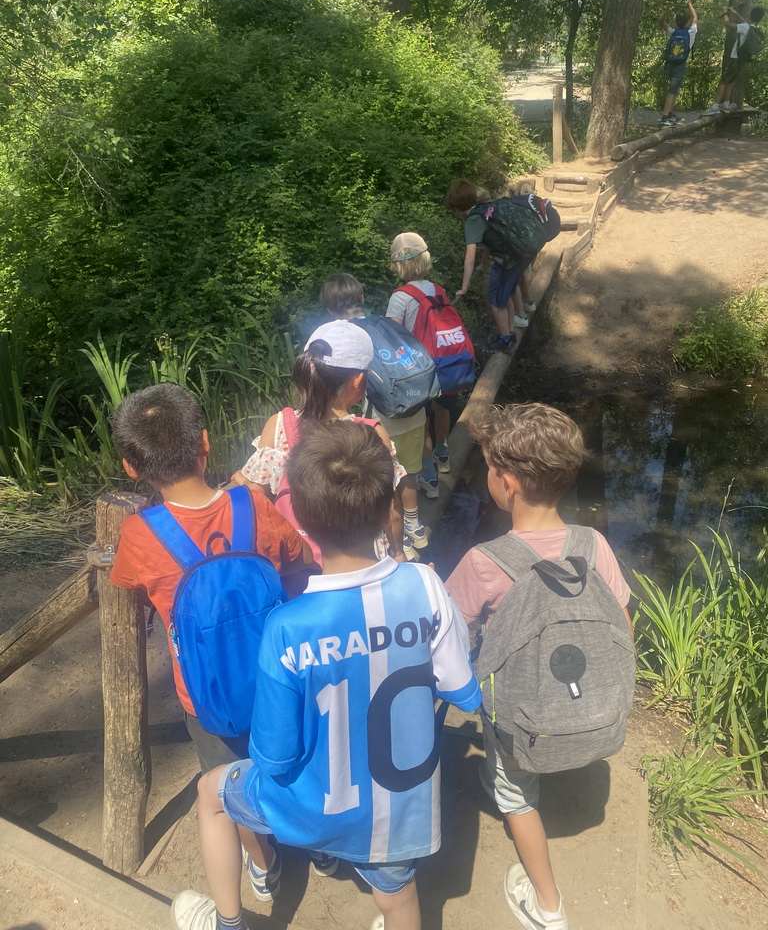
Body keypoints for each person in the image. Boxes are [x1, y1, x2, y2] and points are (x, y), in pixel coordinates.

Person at [170, 420, 482, 930]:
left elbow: (274, 754)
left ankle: (228, 923)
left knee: (211, 795)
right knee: (399, 898)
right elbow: (460, 691)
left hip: (313, 808)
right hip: (399, 812)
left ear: (304, 528)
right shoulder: (425, 585)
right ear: (388, 513)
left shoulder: (287, 627)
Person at [446, 403, 632, 930]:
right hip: (592, 707)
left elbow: (450, 640)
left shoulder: (485, 561)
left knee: (514, 795)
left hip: (522, 722)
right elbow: (622, 624)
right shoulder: (593, 545)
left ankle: (547, 905)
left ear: (506, 483)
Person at [110, 383, 313, 772]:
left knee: (229, 784)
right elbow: (299, 557)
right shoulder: (251, 504)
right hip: (279, 675)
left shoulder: (138, 533)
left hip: (205, 694)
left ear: (131, 468)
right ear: (205, 443)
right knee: (291, 768)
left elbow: (126, 582)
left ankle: (242, 832)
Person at [233, 319, 407, 564]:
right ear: (358, 381)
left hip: (297, 563)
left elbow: (255, 497)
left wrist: (241, 478)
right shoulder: (371, 434)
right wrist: (398, 551)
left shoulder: (279, 425)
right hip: (359, 564)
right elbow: (391, 513)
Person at [319, 273, 431, 561]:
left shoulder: (343, 339)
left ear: (330, 311)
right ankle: (415, 526)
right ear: (362, 298)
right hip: (414, 407)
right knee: (408, 471)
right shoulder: (384, 324)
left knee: (386, 480)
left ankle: (401, 541)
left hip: (382, 418)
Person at [388, 232, 462, 479]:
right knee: (443, 408)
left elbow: (393, 337)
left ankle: (429, 474)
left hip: (419, 368)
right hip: (447, 361)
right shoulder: (438, 289)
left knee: (422, 421)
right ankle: (443, 451)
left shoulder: (400, 297)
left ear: (398, 265)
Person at [446, 180, 533, 355]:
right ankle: (509, 331)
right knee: (505, 294)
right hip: (518, 254)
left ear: (457, 208)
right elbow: (490, 241)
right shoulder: (488, 208)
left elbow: (470, 256)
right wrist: (484, 264)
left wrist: (464, 287)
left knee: (494, 300)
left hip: (506, 260)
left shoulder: (473, 220)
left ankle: (505, 340)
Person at [704, 4, 765, 114]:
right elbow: (745, 23)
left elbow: (727, 24)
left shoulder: (745, 27)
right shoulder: (753, 30)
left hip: (735, 58)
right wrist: (734, 13)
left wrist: (725, 12)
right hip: (742, 60)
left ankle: (715, 106)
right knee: (730, 80)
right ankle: (726, 103)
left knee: (724, 81)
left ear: (750, 16)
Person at [658, 0, 698, 126]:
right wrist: (689, 4)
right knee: (672, 90)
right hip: (680, 64)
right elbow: (695, 18)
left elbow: (661, 22)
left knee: (675, 88)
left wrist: (667, 8)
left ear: (676, 21)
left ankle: (670, 113)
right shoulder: (691, 32)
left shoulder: (673, 32)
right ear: (687, 22)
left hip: (670, 63)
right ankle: (665, 117)